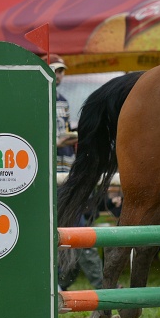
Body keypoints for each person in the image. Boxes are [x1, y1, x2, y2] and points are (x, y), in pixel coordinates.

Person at [49, 54, 104, 291]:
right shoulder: (37, 98)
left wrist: (72, 137)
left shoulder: (62, 100)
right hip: (49, 174)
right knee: (70, 230)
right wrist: (60, 141)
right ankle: (96, 286)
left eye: (61, 71)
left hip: (66, 172)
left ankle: (65, 283)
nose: (60, 75)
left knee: (75, 229)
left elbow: (65, 132)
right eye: (56, 70)